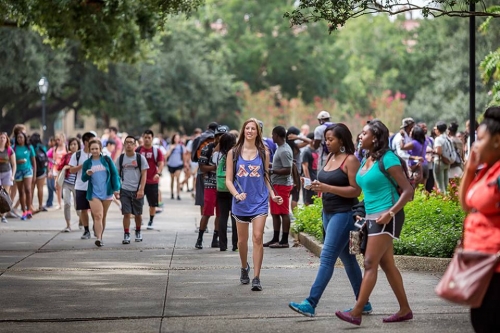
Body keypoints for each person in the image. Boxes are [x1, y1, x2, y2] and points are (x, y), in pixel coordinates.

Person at [335, 119, 413, 326]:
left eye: (364, 133)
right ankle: (405, 309)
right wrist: (361, 212)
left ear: (376, 137)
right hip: (371, 217)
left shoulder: (388, 159)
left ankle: (357, 311)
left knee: (370, 263)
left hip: (387, 216)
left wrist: (390, 213)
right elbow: (366, 191)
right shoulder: (366, 159)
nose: (360, 136)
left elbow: (408, 191)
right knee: (387, 264)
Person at [289, 123, 368, 317]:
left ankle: (311, 302)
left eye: (331, 139)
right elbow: (327, 182)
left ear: (341, 140)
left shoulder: (351, 160)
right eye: (326, 139)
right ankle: (363, 302)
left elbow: (356, 190)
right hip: (328, 213)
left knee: (327, 258)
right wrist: (316, 186)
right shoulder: (330, 156)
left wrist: (327, 188)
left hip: (344, 214)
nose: (327, 142)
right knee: (348, 260)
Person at [225, 118, 283, 291]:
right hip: (240, 202)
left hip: (259, 201)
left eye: (253, 128)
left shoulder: (264, 151)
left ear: (258, 132)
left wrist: (273, 195)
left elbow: (266, 176)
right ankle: (244, 267)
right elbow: (228, 179)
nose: (250, 131)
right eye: (247, 128)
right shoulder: (233, 152)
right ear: (243, 131)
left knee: (257, 237)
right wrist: (236, 194)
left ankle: (257, 277)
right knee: (242, 242)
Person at [458, 106, 500, 333]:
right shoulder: (486, 171)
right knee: (481, 322)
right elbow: (466, 204)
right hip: (480, 264)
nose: (474, 145)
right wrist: (470, 168)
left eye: (480, 139)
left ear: (497, 141)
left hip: (496, 266)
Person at [81, 139, 121, 247]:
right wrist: (87, 174)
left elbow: (114, 174)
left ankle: (100, 237)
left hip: (107, 193)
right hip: (94, 193)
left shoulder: (107, 160)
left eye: (96, 149)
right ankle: (98, 238)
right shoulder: (87, 163)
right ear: (89, 149)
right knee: (98, 215)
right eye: (92, 149)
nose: (94, 151)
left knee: (103, 216)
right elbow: (83, 179)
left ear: (100, 149)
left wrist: (116, 188)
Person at [195, 125, 228, 249]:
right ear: (216, 136)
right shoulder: (208, 148)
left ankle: (215, 239)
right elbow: (202, 167)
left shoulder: (229, 150)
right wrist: (216, 168)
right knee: (207, 212)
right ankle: (200, 238)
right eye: (219, 136)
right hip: (210, 184)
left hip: (223, 186)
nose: (221, 138)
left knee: (220, 214)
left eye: (224, 136)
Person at [263, 126, 293, 248]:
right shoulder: (280, 148)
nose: (272, 136)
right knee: (275, 213)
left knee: (284, 212)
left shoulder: (284, 150)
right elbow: (279, 165)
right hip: (276, 185)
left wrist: (272, 171)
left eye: (273, 134)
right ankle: (275, 238)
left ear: (277, 135)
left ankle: (284, 240)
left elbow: (287, 170)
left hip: (282, 185)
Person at [115, 136, 148, 244]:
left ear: (135, 145)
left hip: (137, 190)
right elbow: (116, 175)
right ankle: (126, 233)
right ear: (124, 145)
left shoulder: (140, 158)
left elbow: (144, 174)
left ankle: (138, 231)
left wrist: (141, 189)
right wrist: (116, 189)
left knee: (138, 213)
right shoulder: (120, 159)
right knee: (126, 213)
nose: (128, 144)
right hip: (124, 189)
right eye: (127, 142)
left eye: (131, 143)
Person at [69, 131, 96, 239]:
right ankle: (86, 230)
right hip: (80, 186)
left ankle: (96, 227)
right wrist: (82, 165)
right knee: (83, 209)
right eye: (91, 141)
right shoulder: (77, 154)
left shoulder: (97, 154)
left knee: (95, 209)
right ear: (85, 142)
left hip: (94, 187)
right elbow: (71, 170)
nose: (94, 143)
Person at [136, 130, 164, 230]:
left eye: (149, 138)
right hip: (139, 182)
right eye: (145, 137)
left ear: (152, 138)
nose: (147, 139)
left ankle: (151, 221)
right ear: (142, 138)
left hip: (152, 181)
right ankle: (139, 220)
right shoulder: (138, 150)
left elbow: (161, 163)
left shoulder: (156, 151)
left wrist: (158, 173)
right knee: (138, 203)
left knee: (152, 204)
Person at [215, 132, 238, 251]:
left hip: (220, 188)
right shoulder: (235, 154)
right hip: (233, 187)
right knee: (234, 216)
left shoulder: (217, 155)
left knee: (222, 216)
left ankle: (223, 245)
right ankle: (235, 245)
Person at [57, 137, 81, 232]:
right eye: (71, 144)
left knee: (78, 206)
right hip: (66, 183)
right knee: (67, 203)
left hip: (78, 184)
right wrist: (58, 180)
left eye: (75, 144)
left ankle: (81, 220)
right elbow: (60, 168)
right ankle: (68, 225)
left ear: (78, 145)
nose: (73, 146)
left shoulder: (81, 156)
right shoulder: (66, 156)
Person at [13, 132, 36, 220]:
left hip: (28, 170)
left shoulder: (29, 148)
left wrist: (34, 175)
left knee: (28, 189)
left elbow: (34, 161)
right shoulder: (14, 148)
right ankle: (24, 211)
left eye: (21, 137)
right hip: (18, 171)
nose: (19, 139)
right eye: (18, 138)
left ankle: (29, 210)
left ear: (25, 138)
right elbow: (11, 160)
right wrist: (18, 162)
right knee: (21, 192)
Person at [48, 133, 67, 210]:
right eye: (56, 140)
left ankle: (66, 201)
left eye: (59, 139)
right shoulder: (54, 149)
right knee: (58, 187)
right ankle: (59, 203)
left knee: (66, 186)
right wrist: (50, 170)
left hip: (65, 169)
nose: (57, 141)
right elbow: (52, 160)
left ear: (63, 139)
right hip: (56, 169)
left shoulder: (66, 147)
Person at [29, 133, 48, 212]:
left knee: (31, 189)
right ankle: (40, 206)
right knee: (40, 188)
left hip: (31, 170)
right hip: (41, 170)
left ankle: (30, 205)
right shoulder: (42, 146)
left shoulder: (30, 147)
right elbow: (46, 157)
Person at [0, 131, 16, 223]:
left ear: (6, 140)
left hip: (7, 173)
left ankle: (3, 215)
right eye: (0, 137)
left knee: (5, 194)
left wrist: (13, 175)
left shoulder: (10, 150)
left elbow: (14, 164)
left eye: (3, 138)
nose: (2, 139)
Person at [165, 133, 187, 201]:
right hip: (171, 164)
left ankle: (178, 194)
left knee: (177, 179)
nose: (177, 139)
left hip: (178, 165)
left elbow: (183, 156)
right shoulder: (169, 146)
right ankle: (172, 193)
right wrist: (171, 148)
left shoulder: (181, 147)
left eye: (178, 138)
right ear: (173, 139)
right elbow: (166, 156)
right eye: (175, 138)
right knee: (172, 179)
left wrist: (185, 164)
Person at [432, 121, 450, 193]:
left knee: (440, 186)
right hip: (447, 162)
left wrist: (432, 151)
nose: (435, 130)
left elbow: (439, 152)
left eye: (435, 129)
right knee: (446, 185)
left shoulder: (438, 139)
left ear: (438, 129)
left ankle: (442, 201)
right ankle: (448, 200)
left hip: (439, 162)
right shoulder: (447, 138)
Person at [301, 133, 319, 206]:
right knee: (307, 200)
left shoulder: (317, 150)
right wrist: (308, 181)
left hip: (315, 177)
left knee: (315, 199)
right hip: (309, 178)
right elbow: (305, 167)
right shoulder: (306, 151)